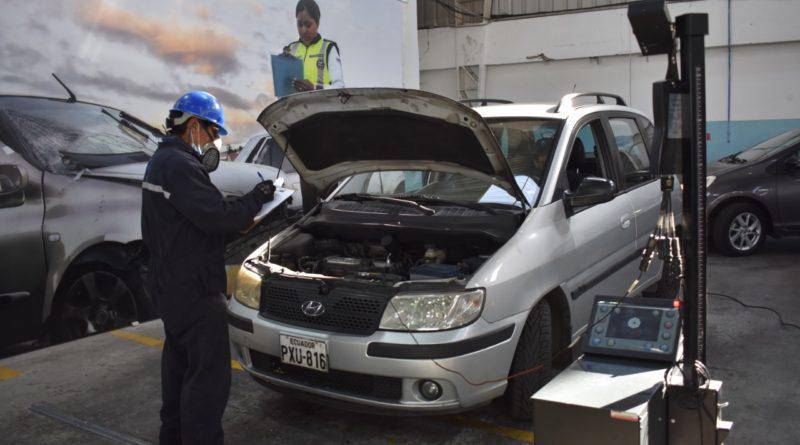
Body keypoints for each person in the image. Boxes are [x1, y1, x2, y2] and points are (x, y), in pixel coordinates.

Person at [141, 91, 276, 445]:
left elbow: (193, 214)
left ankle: (172, 437)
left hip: (170, 285)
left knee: (179, 369)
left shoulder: (163, 160)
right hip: (194, 289)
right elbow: (217, 218)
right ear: (195, 126)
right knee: (207, 380)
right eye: (213, 132)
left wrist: (232, 206)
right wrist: (258, 198)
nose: (214, 141)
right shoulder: (181, 166)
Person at [283, 0, 344, 92]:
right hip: (295, 105)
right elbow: (282, 89)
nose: (303, 30)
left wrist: (314, 88)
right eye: (299, 24)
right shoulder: (290, 49)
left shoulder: (329, 48)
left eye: (308, 24)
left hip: (322, 104)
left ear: (317, 23)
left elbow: (340, 87)